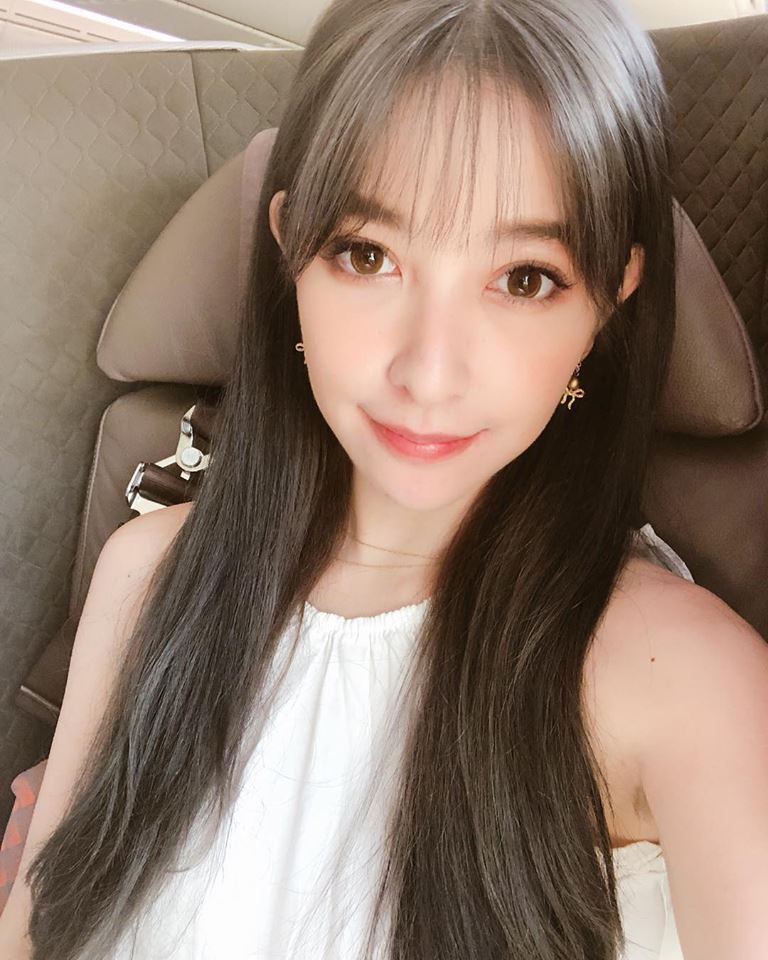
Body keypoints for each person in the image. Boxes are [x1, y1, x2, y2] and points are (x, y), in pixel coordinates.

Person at [2, 0, 767, 957]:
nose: (429, 373)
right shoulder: (148, 573)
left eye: (525, 278)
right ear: (292, 249)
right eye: (367, 256)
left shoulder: (685, 677)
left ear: (611, 297)